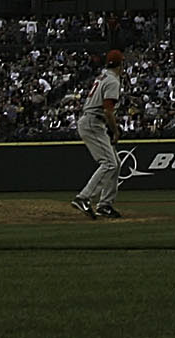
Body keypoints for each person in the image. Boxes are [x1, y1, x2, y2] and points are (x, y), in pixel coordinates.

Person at [72, 48, 128, 220]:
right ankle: (83, 197)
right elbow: (108, 111)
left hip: (94, 121)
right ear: (121, 64)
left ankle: (105, 205)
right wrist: (115, 130)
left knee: (115, 163)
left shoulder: (103, 76)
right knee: (109, 163)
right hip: (93, 122)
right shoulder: (112, 80)